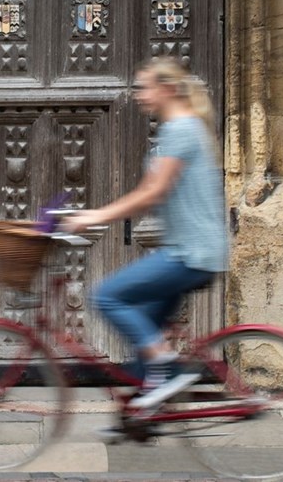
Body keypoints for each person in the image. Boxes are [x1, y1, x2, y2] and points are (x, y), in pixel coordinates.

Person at [63, 57, 228, 410]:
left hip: (190, 254)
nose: (138, 94)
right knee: (145, 336)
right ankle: (138, 418)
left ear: (166, 89)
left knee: (107, 296)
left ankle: (167, 368)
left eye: (144, 86)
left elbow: (153, 192)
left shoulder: (181, 128)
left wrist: (96, 217)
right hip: (188, 249)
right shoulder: (182, 127)